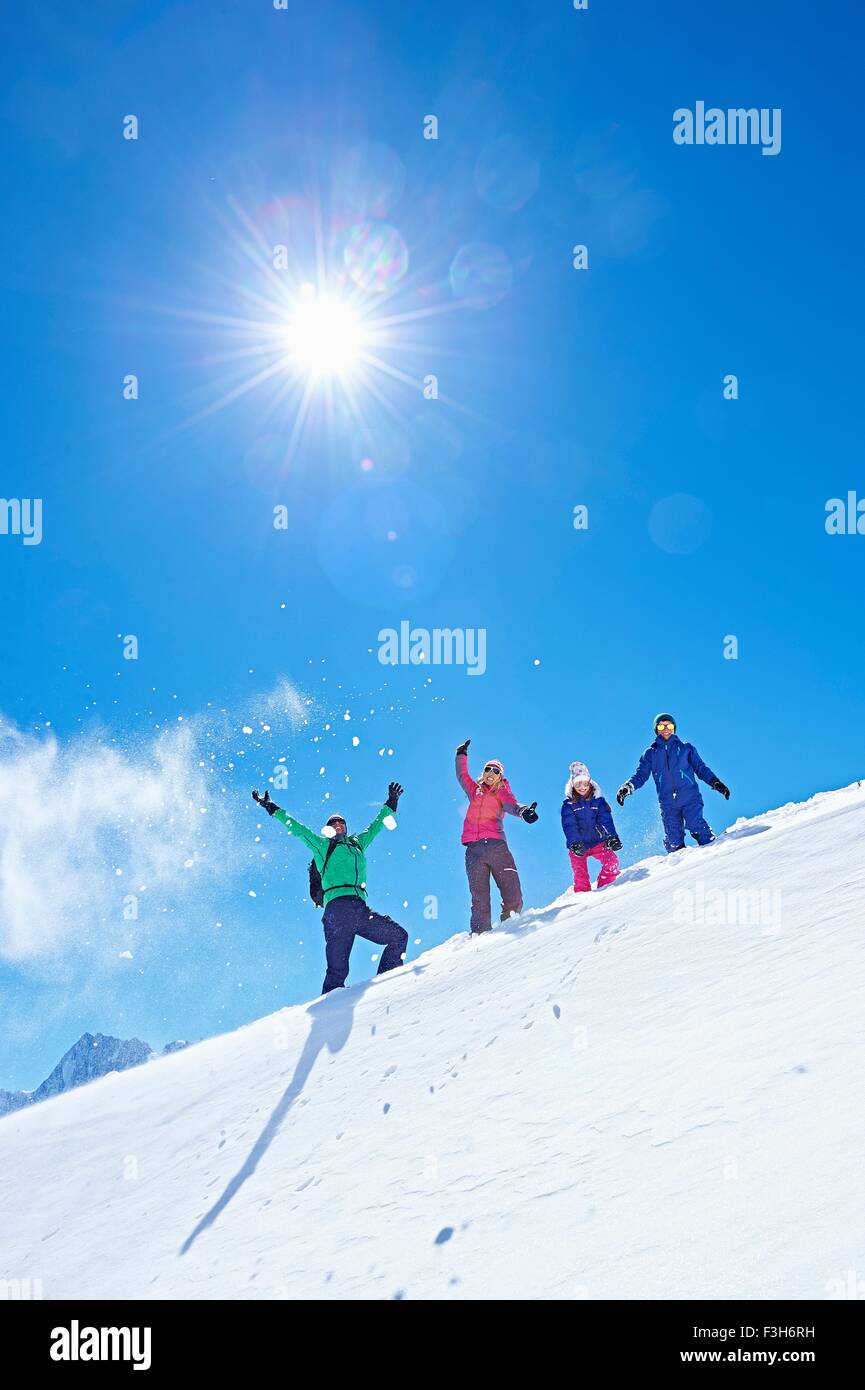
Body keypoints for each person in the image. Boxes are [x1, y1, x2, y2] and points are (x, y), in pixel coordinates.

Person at [251, 783, 408, 994]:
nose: (338, 826)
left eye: (341, 823)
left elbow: (376, 826)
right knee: (337, 972)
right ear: (328, 829)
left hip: (359, 909)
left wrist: (391, 803)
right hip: (337, 911)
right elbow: (297, 829)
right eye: (333, 824)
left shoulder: (357, 844)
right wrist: (272, 808)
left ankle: (386, 986)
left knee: (398, 936)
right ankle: (329, 1016)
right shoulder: (323, 846)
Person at [455, 738, 538, 933]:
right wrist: (461, 754)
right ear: (483, 773)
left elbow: (512, 805)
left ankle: (512, 923)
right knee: (479, 896)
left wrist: (524, 811)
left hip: (496, 846)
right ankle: (480, 933)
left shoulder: (501, 792)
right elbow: (461, 775)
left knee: (511, 887)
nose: (491, 773)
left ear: (500, 777)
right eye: (488, 769)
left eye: (496, 771)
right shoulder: (474, 790)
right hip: (473, 850)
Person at [616, 713, 730, 853]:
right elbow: (641, 775)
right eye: (661, 725)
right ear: (656, 729)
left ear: (674, 728)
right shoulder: (650, 754)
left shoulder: (686, 748)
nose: (666, 729)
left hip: (689, 797)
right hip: (668, 803)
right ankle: (679, 871)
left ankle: (716, 855)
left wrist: (716, 783)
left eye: (669, 725)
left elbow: (701, 768)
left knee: (696, 825)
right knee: (674, 840)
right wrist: (628, 787)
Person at [560, 761, 622, 892]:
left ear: (589, 782)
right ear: (572, 785)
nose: (581, 787)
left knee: (612, 862)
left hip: (597, 842)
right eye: (577, 783)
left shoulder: (599, 801)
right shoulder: (568, 805)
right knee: (580, 876)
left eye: (584, 783)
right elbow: (569, 826)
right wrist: (575, 843)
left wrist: (612, 838)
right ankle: (583, 900)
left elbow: (606, 821)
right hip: (578, 846)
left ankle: (605, 889)